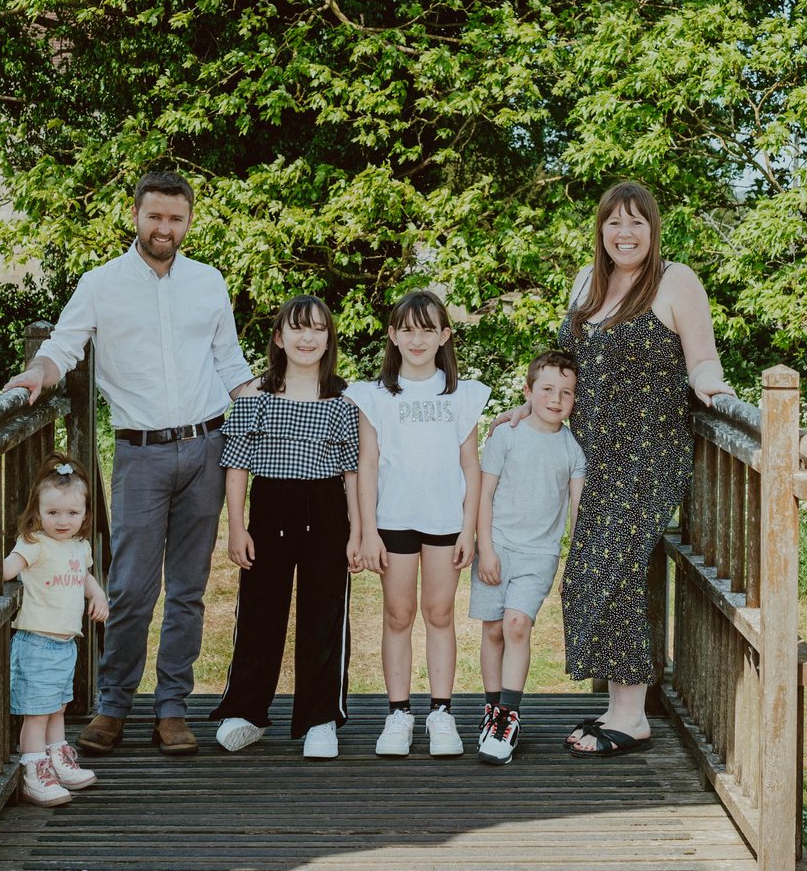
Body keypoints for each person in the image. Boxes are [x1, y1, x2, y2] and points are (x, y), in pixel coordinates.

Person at [6, 170, 255, 757]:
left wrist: (281, 412)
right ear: (136, 216)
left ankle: (172, 708)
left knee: (189, 589)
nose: (164, 228)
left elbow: (231, 365)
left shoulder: (208, 282)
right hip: (140, 454)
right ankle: (113, 705)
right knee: (131, 586)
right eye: (155, 217)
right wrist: (37, 375)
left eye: (176, 218)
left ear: (188, 222)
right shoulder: (101, 284)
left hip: (207, 448)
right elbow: (63, 347)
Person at [557, 181, 730, 757]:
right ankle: (616, 703)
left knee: (613, 567)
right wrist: (533, 405)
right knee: (588, 573)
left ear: (653, 230)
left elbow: (702, 356)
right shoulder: (588, 282)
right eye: (613, 223)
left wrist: (711, 386)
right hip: (590, 458)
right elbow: (566, 364)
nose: (624, 233)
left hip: (648, 454)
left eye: (636, 222)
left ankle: (632, 716)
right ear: (601, 230)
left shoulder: (675, 281)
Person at [210, 295, 366, 760]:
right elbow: (236, 465)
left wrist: (358, 531)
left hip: (326, 510)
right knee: (260, 611)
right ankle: (246, 710)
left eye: (317, 329)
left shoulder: (343, 400)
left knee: (324, 615)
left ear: (328, 338)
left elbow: (353, 472)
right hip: (270, 507)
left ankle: (320, 717)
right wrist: (237, 528)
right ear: (279, 337)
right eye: (297, 328)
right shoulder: (256, 395)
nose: (307, 337)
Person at [349, 288, 491, 759]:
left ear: (444, 335)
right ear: (392, 335)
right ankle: (398, 713)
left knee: (440, 613)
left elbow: (471, 466)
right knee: (397, 614)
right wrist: (368, 531)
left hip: (445, 521)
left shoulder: (461, 395)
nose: (417, 338)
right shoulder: (375, 396)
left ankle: (442, 713)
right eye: (407, 329)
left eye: (428, 329)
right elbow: (367, 465)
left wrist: (469, 529)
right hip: (394, 520)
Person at [471, 348, 585, 765]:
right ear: (528, 391)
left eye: (566, 393)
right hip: (497, 546)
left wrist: (577, 556)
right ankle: (490, 709)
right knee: (495, 630)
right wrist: (485, 548)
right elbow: (484, 494)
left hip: (539, 553)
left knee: (518, 624)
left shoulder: (573, 449)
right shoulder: (506, 435)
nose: (556, 400)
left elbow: (576, 509)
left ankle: (508, 715)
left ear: (575, 400)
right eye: (548, 389)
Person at [1, 461, 111, 806]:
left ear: (84, 514)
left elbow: (85, 579)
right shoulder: (34, 543)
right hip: (37, 641)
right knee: (36, 712)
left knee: (57, 707)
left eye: (71, 512)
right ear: (38, 512)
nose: (62, 521)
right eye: (53, 512)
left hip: (65, 645)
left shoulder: (79, 546)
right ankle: (33, 771)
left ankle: (56, 760)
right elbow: (6, 571)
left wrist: (98, 594)